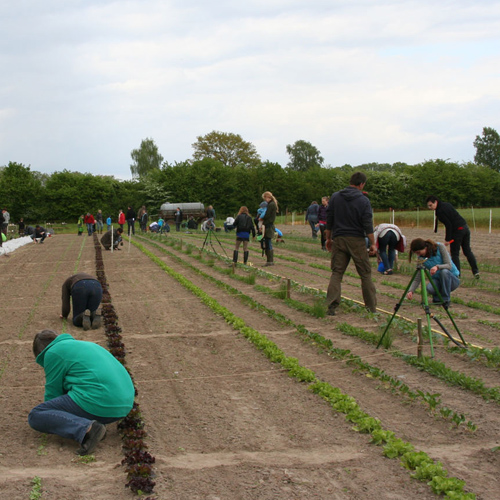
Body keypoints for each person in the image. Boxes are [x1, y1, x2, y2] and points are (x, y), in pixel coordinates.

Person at [28, 330, 135, 456]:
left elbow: (53, 393)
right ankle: (94, 423)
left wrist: (51, 415)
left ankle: (88, 429)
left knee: (36, 415)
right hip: (124, 405)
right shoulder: (83, 345)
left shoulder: (52, 352)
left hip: (101, 401)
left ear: (41, 354)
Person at [325, 172, 377, 315]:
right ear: (362, 184)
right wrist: (373, 243)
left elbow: (329, 219)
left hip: (339, 239)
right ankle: (371, 308)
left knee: (337, 273)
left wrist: (328, 239)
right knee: (365, 274)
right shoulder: (363, 200)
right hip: (357, 241)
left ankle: (330, 306)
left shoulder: (335, 197)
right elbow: (368, 224)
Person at [426, 196, 479, 278]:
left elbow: (448, 225)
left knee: (455, 253)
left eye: (431, 205)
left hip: (458, 230)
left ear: (436, 202)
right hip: (465, 227)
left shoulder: (440, 211)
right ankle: (476, 272)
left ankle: (457, 275)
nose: (430, 207)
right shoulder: (446, 205)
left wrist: (448, 239)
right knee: (467, 251)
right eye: (428, 206)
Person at [406, 238, 460, 308]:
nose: (418, 255)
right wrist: (411, 291)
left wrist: (437, 267)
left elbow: (449, 265)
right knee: (429, 288)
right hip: (438, 280)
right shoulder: (421, 259)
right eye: (416, 253)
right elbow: (417, 278)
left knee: (444, 272)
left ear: (425, 248)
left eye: (419, 252)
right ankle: (437, 299)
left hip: (452, 279)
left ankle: (446, 300)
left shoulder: (439, 247)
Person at [261, 191, 278, 266]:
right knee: (267, 243)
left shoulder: (271, 205)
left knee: (268, 243)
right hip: (269, 225)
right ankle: (269, 260)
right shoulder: (272, 204)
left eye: (265, 198)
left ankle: (270, 261)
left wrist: (262, 219)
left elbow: (267, 215)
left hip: (269, 226)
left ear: (267, 197)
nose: (265, 200)